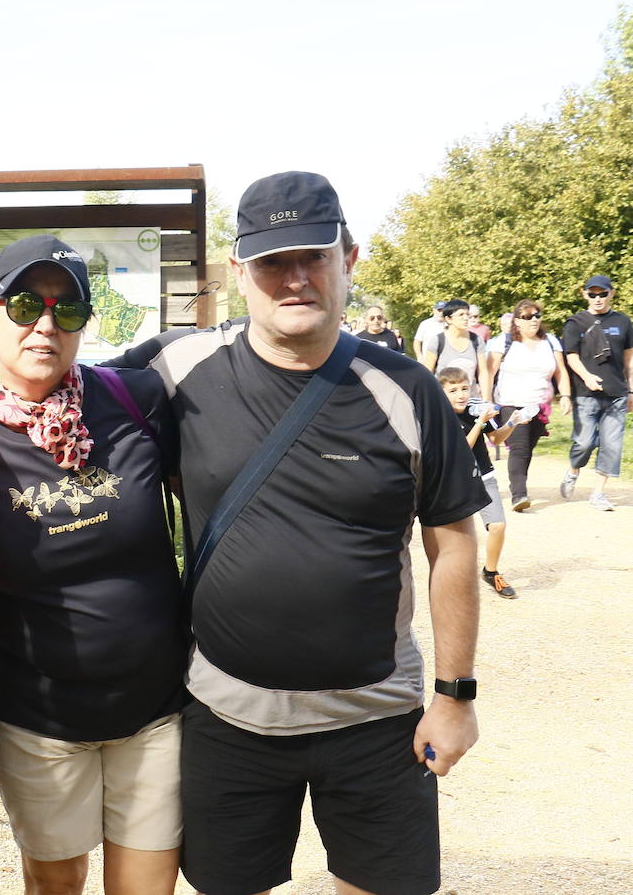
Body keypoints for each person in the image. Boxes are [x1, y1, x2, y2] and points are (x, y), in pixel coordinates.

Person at [105, 171, 487, 895]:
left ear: (349, 255)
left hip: (378, 720)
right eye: (273, 262)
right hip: (228, 714)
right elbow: (57, 388)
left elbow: (453, 543)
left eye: (313, 256)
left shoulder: (407, 390)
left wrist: (455, 695)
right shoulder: (176, 369)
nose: (295, 279)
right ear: (238, 271)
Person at [0, 235, 185, 894]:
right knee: (54, 886)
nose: (45, 325)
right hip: (39, 722)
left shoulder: (135, 401)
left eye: (68, 310)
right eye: (25, 305)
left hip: (154, 712)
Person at [480, 299, 572, 511]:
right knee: (519, 448)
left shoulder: (551, 342)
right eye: (527, 317)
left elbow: (561, 372)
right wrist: (487, 403)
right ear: (517, 321)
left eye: (537, 315)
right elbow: (488, 373)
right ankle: (519, 495)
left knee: (527, 449)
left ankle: (518, 484)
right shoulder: (503, 342)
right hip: (511, 403)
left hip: (539, 407)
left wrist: (565, 396)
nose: (534, 320)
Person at [437, 367, 518, 598]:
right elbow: (461, 449)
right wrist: (480, 422)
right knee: (457, 536)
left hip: (483, 476)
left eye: (464, 388)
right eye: (453, 390)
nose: (461, 394)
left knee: (498, 526)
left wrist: (513, 423)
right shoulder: (441, 415)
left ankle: (491, 572)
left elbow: (495, 439)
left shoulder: (476, 408)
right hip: (455, 482)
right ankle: (451, 579)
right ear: (442, 393)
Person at [559, 275, 632, 511]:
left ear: (611, 294)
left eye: (602, 294)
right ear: (585, 294)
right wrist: (587, 377)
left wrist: (631, 389)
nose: (597, 298)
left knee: (612, 445)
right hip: (585, 394)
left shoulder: (623, 322)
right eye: (592, 294)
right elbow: (571, 356)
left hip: (616, 394)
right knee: (583, 442)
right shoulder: (575, 323)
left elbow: (629, 359)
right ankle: (573, 471)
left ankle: (599, 493)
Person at [421, 298, 485, 390]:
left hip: (470, 399)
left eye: (467, 314)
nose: (466, 318)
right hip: (444, 399)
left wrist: (487, 399)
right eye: (461, 315)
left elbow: (483, 372)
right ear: (448, 319)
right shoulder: (438, 341)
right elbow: (427, 373)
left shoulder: (476, 340)